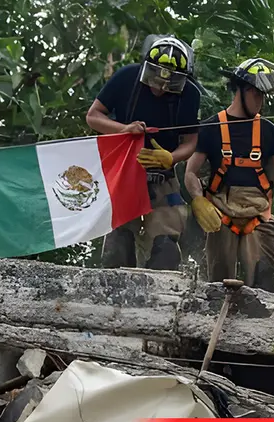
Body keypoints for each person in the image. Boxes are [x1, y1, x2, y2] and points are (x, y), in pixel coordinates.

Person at [184, 58, 274, 292]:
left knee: (263, 283)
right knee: (218, 287)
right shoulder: (212, 127)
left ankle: (263, 323)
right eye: (255, 93)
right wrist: (198, 199)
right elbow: (191, 172)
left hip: (258, 214)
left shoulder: (269, 131)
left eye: (263, 95)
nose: (260, 101)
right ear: (240, 90)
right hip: (220, 214)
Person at [86, 35, 201, 270]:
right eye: (155, 77)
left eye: (169, 83)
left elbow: (191, 142)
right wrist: (124, 130)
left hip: (163, 179)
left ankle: (160, 299)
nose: (160, 86)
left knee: (167, 248)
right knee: (118, 244)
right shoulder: (127, 78)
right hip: (125, 174)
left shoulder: (189, 94)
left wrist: (172, 157)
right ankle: (113, 301)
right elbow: (93, 116)